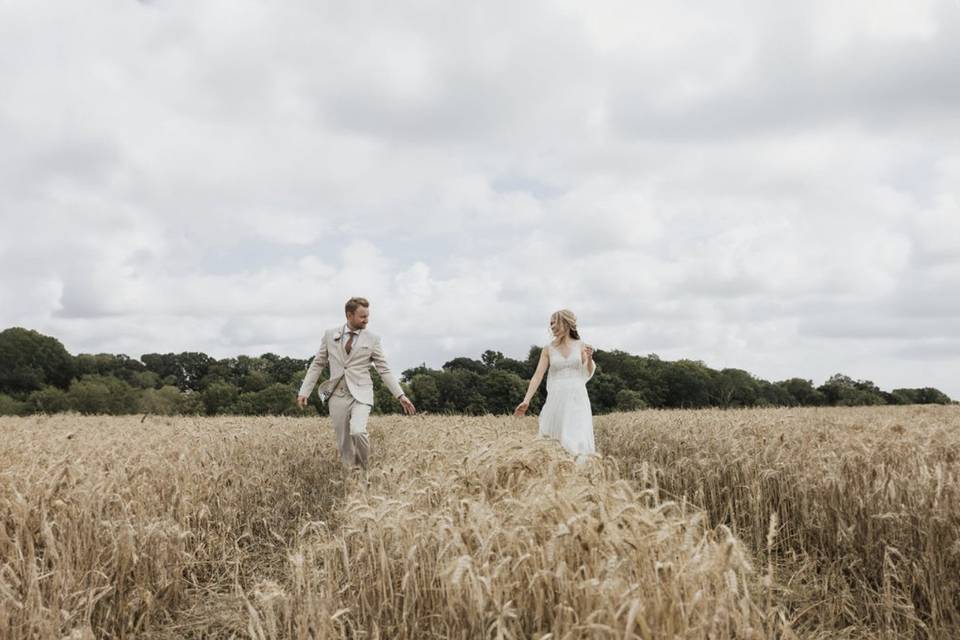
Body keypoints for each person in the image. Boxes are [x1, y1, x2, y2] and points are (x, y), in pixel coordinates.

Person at [297, 297, 416, 471]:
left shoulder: (373, 339)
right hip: (337, 394)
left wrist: (401, 395)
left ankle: (365, 471)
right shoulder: (330, 335)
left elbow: (384, 369)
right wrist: (304, 391)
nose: (366, 320)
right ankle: (351, 479)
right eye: (362, 316)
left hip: (362, 393)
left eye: (368, 316)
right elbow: (317, 364)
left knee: (358, 431)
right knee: (344, 444)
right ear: (349, 315)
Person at [514, 309, 596, 458]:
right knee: (556, 440)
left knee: (577, 439)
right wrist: (526, 400)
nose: (551, 326)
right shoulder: (548, 349)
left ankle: (579, 476)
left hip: (577, 399)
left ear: (565, 322)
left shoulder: (581, 346)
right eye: (550, 324)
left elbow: (587, 372)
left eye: (554, 322)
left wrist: (590, 359)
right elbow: (537, 376)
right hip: (556, 399)